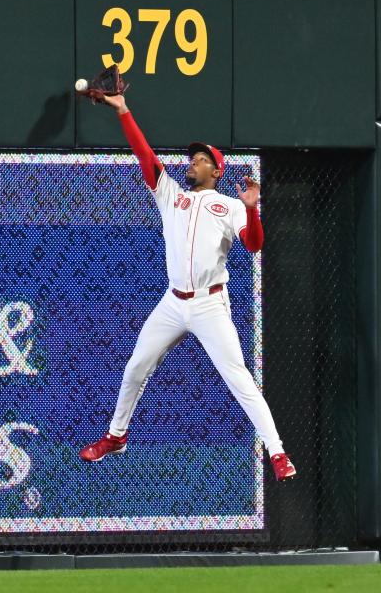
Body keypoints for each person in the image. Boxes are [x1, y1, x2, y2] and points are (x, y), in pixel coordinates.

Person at [77, 92, 296, 482]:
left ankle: (277, 453)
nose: (192, 163)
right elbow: (145, 156)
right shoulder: (171, 196)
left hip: (210, 306)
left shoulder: (230, 205)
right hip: (173, 303)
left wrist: (250, 208)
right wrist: (124, 109)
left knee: (239, 378)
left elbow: (254, 245)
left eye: (201, 159)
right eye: (192, 158)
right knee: (135, 367)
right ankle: (116, 435)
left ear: (217, 171)